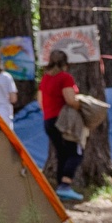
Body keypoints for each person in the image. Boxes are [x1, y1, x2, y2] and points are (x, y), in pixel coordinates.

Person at [39, 49, 83, 196]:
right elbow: (70, 100)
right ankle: (65, 184)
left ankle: (60, 187)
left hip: (48, 120)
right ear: (66, 63)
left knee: (61, 153)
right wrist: (82, 105)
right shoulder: (65, 78)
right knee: (76, 152)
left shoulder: (45, 78)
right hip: (64, 122)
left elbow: (40, 101)